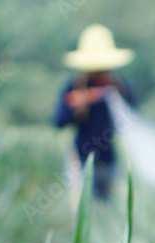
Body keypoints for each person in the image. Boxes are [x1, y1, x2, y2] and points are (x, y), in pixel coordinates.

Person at [54, 24, 137, 201]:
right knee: (84, 204)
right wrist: (77, 109)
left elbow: (134, 113)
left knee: (106, 206)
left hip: (109, 158)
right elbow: (58, 121)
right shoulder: (75, 86)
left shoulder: (118, 85)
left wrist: (117, 93)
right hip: (82, 158)